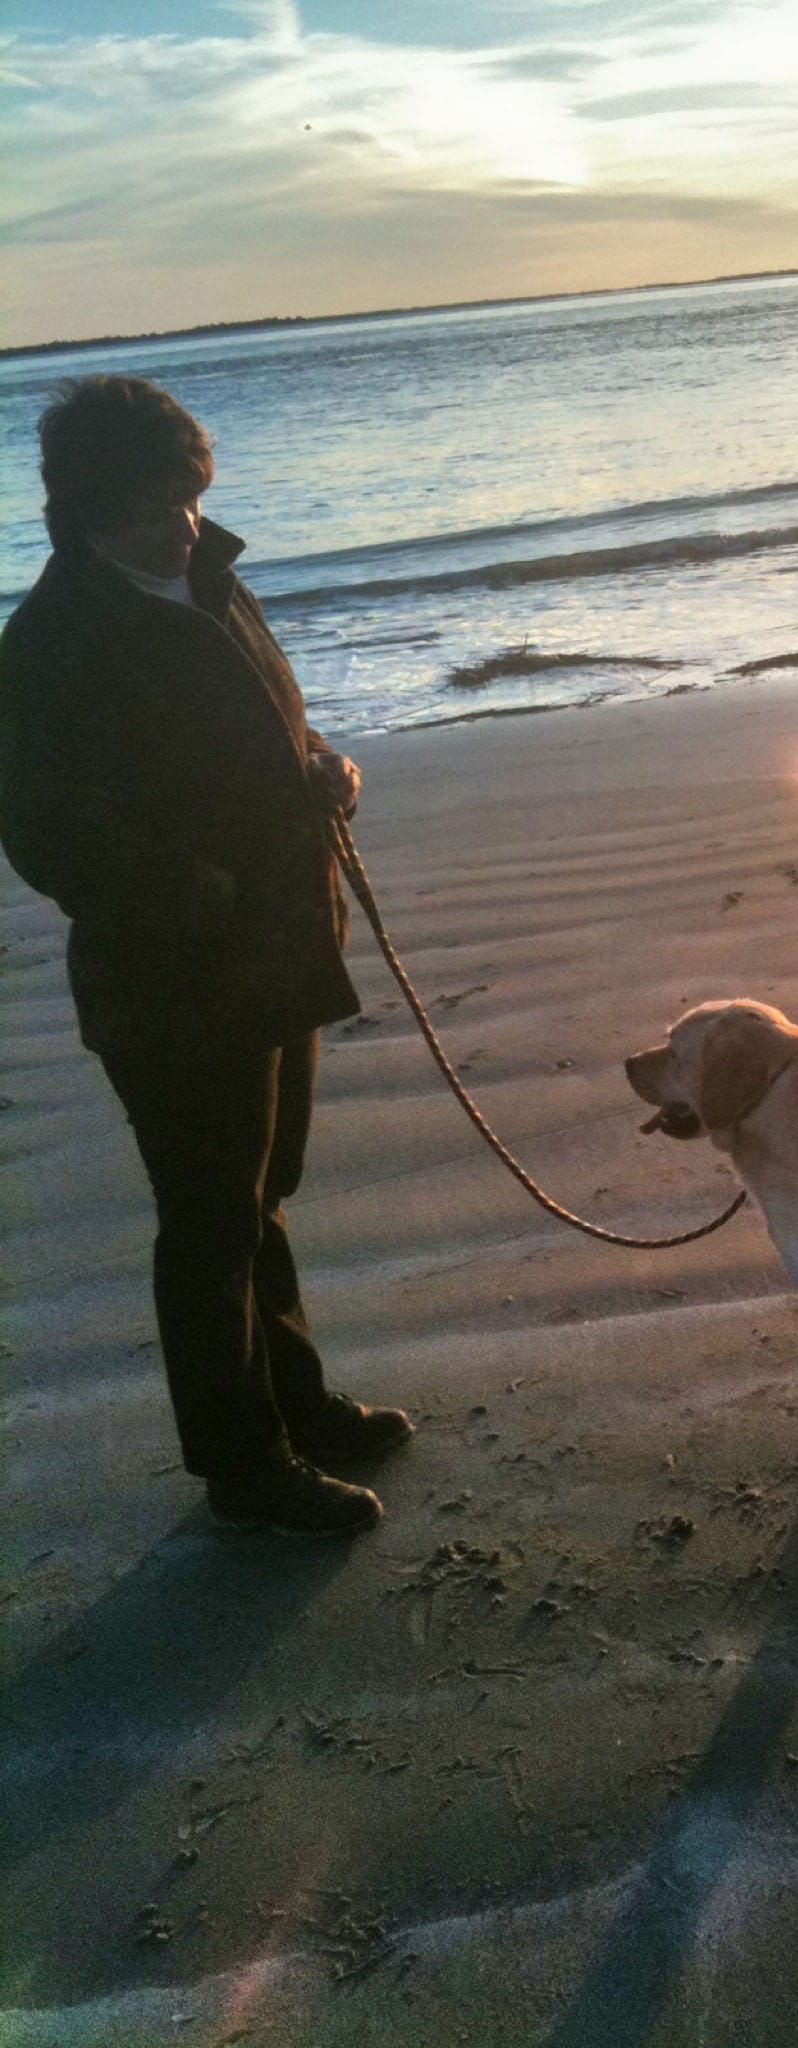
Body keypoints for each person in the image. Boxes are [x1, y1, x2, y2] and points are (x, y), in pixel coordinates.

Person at [0, 374, 412, 1536]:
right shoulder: (46, 644)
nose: (177, 524)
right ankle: (243, 1468)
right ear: (82, 513)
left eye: (185, 496)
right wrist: (198, 892)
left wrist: (322, 766)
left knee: (264, 1191)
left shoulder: (212, 580)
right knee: (208, 1221)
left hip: (280, 947)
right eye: (148, 509)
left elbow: (274, 719)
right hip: (171, 984)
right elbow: (43, 832)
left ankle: (298, 1403)